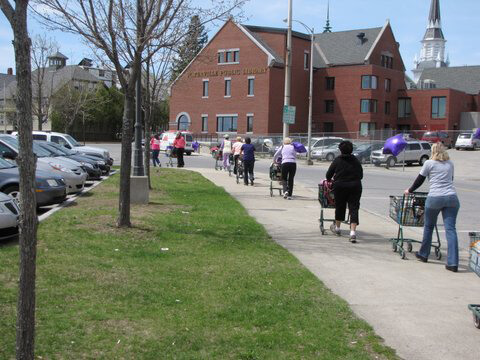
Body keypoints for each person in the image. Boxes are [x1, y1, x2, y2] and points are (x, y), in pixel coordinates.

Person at [405, 143, 460, 272]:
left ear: (433, 151)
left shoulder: (429, 163)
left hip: (435, 197)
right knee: (451, 230)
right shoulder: (450, 164)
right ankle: (452, 263)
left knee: (429, 226)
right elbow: (451, 180)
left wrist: (410, 190)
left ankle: (423, 254)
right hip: (452, 197)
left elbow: (420, 180)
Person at [326, 140, 363, 243]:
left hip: (340, 186)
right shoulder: (355, 160)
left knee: (340, 206)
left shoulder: (337, 160)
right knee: (354, 208)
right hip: (355, 186)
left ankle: (337, 228)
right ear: (351, 150)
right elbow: (361, 175)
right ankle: (352, 233)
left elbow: (328, 174)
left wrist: (330, 180)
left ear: (340, 150)